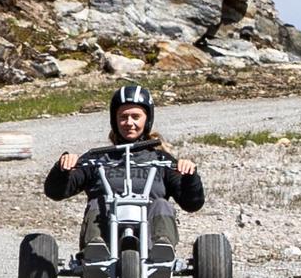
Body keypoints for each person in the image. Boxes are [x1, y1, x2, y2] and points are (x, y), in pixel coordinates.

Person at [44, 81, 207, 261]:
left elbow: (192, 203)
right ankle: (95, 247)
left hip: (150, 233)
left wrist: (190, 176)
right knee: (99, 202)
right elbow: (55, 192)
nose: (129, 123)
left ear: (147, 119)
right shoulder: (97, 159)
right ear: (115, 120)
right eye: (123, 117)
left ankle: (163, 246)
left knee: (162, 204)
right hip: (106, 232)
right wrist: (63, 168)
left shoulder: (161, 160)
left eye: (135, 116)